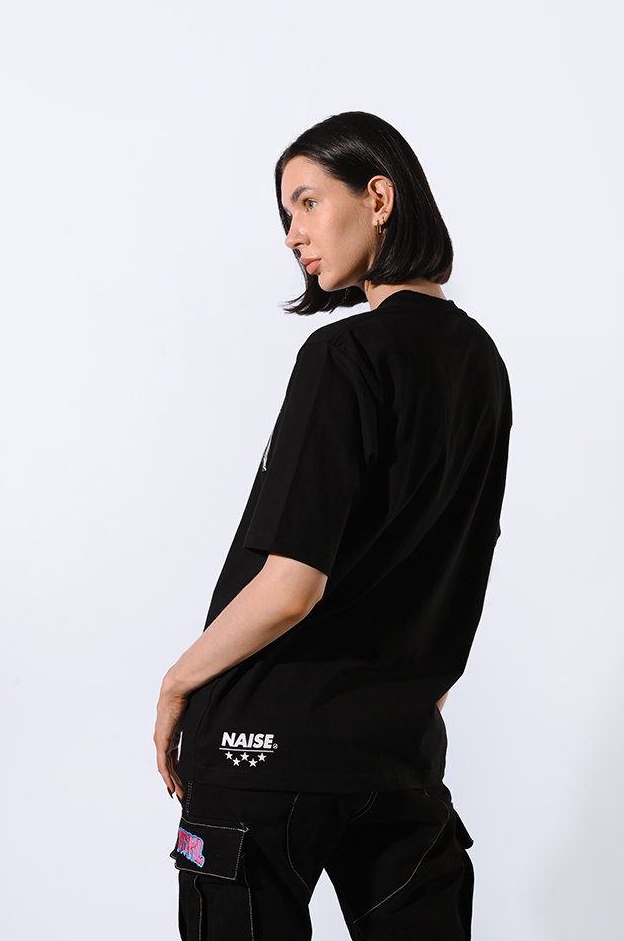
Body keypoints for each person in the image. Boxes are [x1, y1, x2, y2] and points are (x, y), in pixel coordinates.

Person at [154, 111, 512, 941]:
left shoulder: (344, 355)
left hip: (259, 744)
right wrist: (408, 698)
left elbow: (290, 587)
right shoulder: (483, 364)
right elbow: (460, 563)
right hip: (398, 754)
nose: (293, 234)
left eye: (309, 202)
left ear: (378, 198)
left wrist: (176, 684)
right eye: (286, 214)